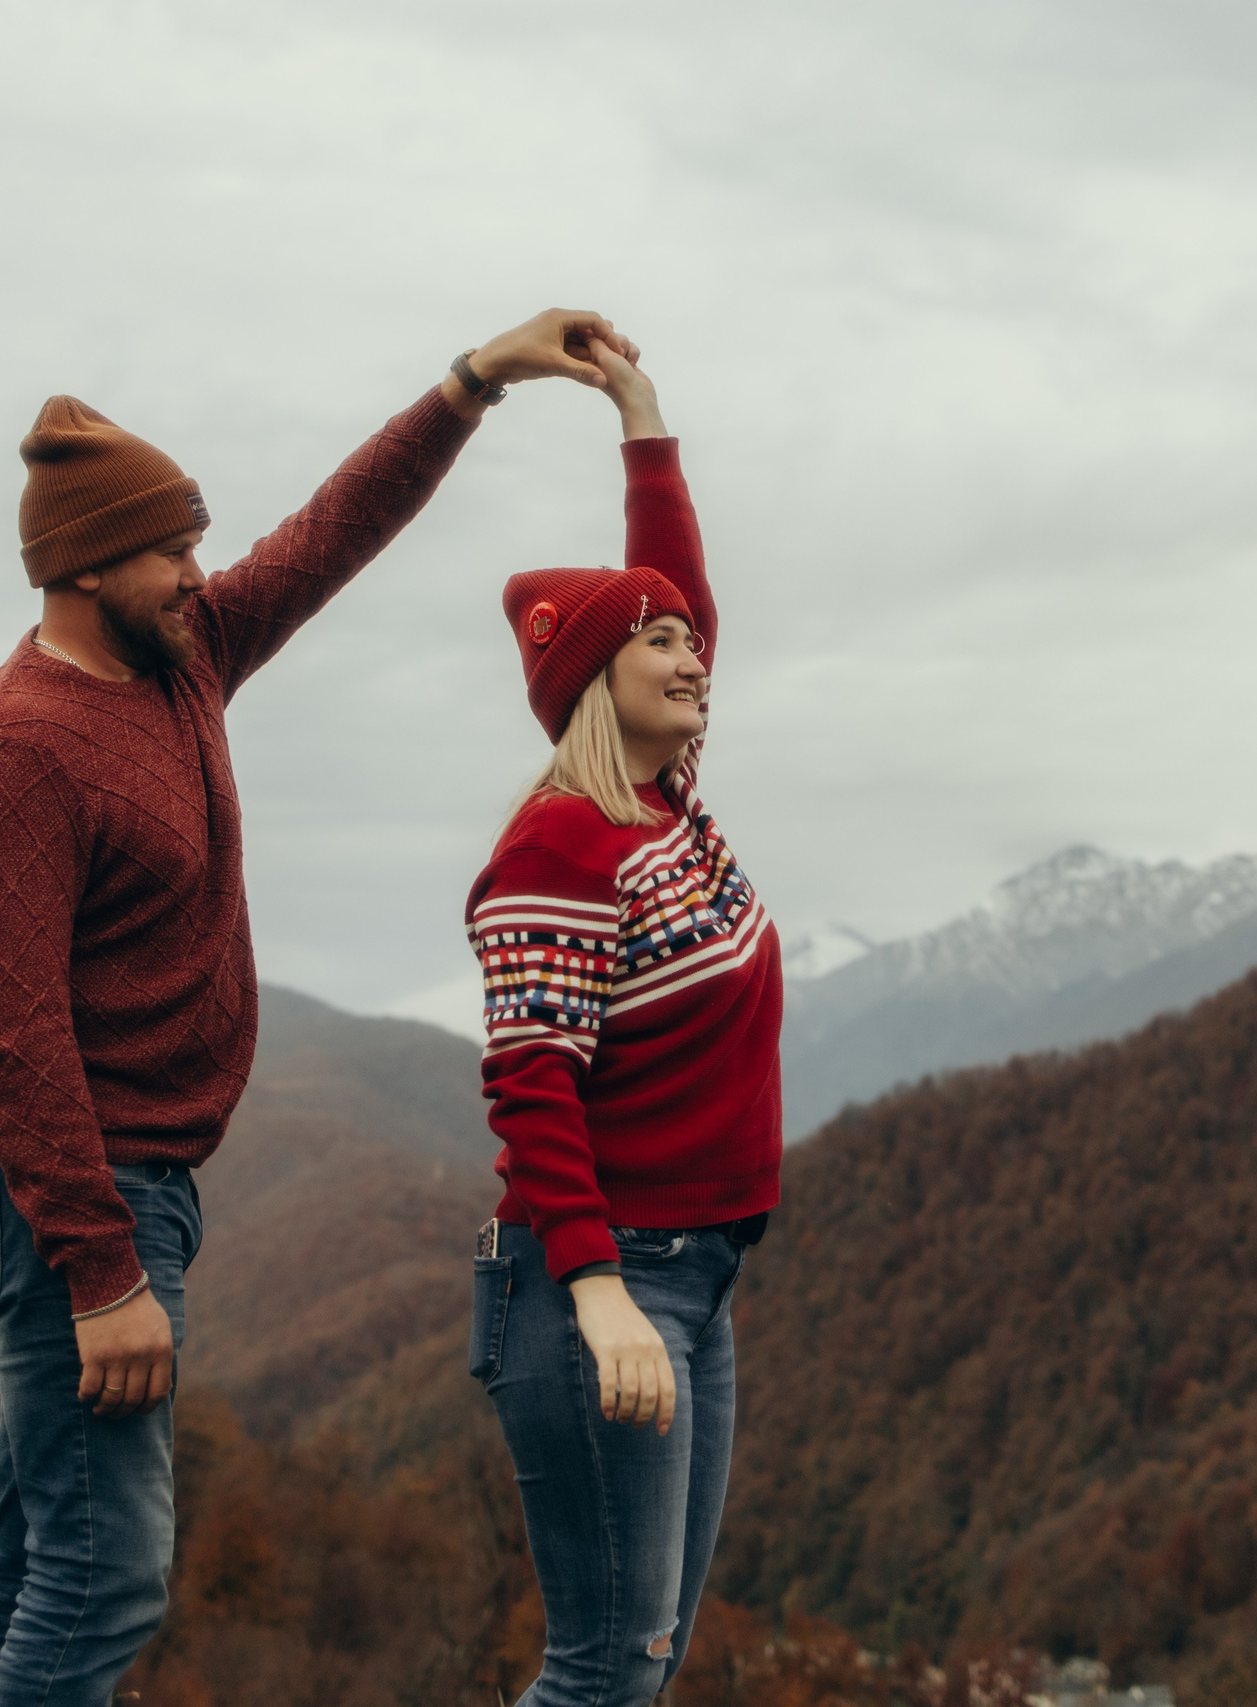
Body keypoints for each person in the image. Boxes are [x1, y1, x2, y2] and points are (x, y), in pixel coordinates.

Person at [0, 308, 628, 1707]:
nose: (199, 571)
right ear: (82, 564)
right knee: (105, 1573)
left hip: (130, 1179)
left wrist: (473, 381)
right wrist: (102, 1270)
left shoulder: (178, 662)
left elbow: (325, 538)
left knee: (38, 1554)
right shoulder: (12, 757)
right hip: (62, 1189)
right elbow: (11, 1038)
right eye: (171, 549)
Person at [465, 337, 783, 1707]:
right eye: (654, 641)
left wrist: (643, 423)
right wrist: (599, 1297)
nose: (689, 649)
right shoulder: (560, 849)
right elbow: (531, 1084)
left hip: (692, 1282)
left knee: (643, 1667)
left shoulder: (668, 803)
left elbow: (684, 586)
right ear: (601, 681)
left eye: (686, 635)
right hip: (607, 1286)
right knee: (601, 1671)